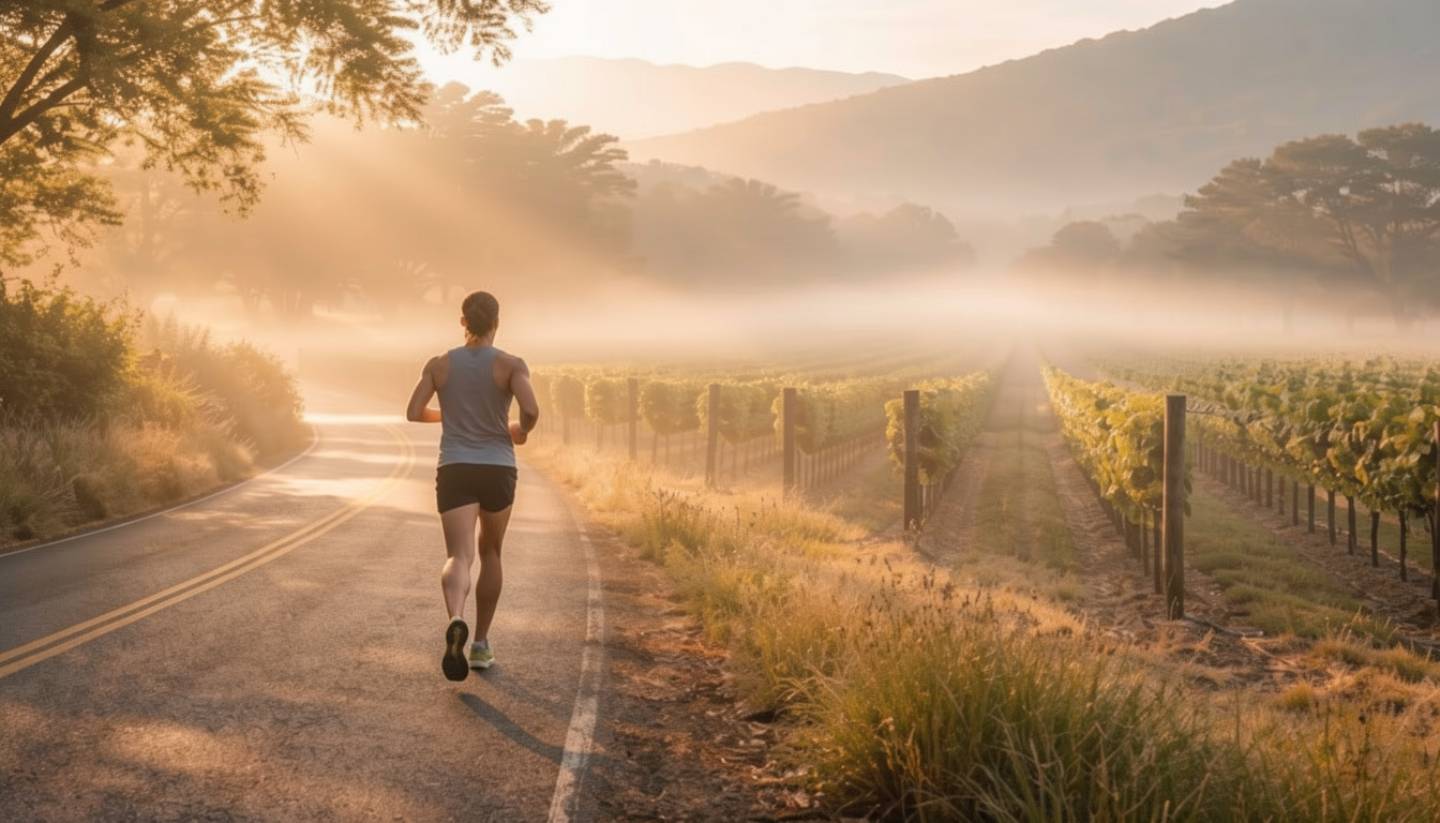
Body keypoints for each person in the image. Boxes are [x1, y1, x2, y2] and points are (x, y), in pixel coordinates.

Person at [406, 291, 540, 681]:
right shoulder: (511, 365)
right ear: (497, 323)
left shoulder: (439, 364)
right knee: (492, 552)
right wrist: (519, 430)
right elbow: (531, 410)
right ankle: (480, 645)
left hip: (456, 467)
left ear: (462, 322)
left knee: (459, 556)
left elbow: (413, 412)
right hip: (498, 467)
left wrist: (451, 414)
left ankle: (456, 619)